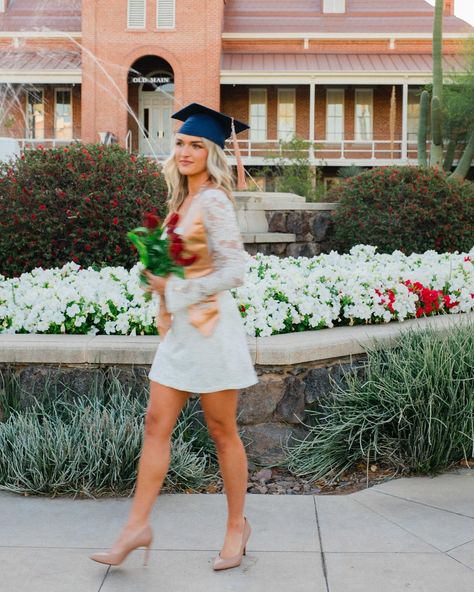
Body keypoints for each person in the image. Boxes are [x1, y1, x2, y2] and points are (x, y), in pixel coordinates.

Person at [89, 103, 259, 571]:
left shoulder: (214, 201)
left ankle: (235, 526)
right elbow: (178, 264)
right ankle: (136, 528)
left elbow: (235, 271)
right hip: (181, 334)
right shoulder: (181, 202)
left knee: (223, 433)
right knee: (154, 425)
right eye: (181, 142)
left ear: (212, 152)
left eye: (196, 145)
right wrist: (154, 273)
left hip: (212, 332)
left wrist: (176, 286)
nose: (184, 151)